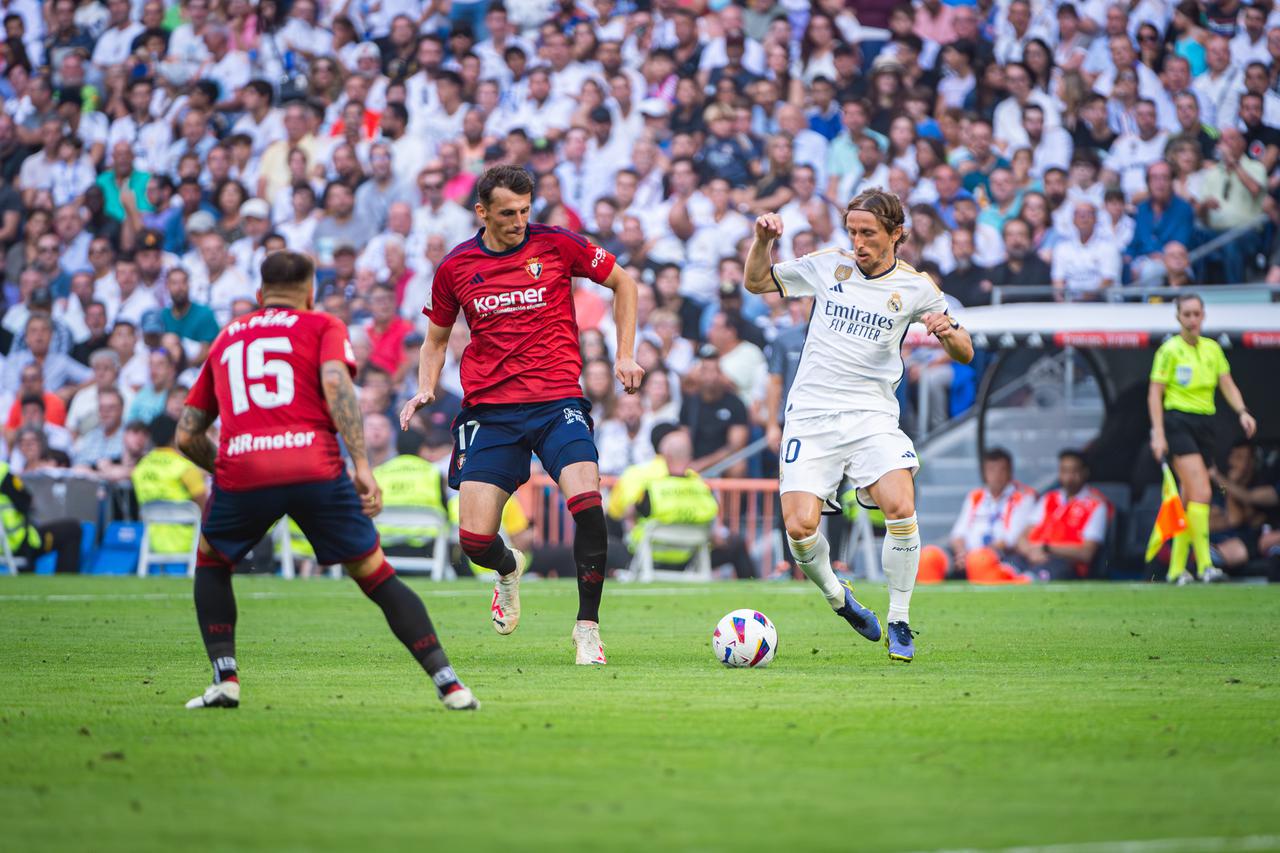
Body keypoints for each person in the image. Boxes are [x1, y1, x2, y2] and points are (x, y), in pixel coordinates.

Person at [177, 250, 478, 711]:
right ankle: (449, 684)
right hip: (313, 466)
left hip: (244, 469)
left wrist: (227, 467)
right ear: (310, 292)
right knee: (376, 575)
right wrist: (361, 465)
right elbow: (337, 385)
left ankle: (225, 679)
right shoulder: (322, 325)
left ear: (259, 293)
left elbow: (186, 434)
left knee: (212, 563)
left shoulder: (226, 338)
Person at [398, 165, 643, 666]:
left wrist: (624, 354)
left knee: (588, 503)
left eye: (525, 211)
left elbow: (624, 283)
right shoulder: (455, 267)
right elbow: (435, 341)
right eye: (508, 213)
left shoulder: (556, 244)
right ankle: (508, 568)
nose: (518, 222)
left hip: (557, 402)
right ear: (482, 211)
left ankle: (587, 628)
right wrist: (425, 387)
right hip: (491, 412)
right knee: (474, 540)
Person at [744, 188, 974, 663]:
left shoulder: (916, 287)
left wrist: (947, 331)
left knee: (900, 505)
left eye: (868, 233)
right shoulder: (829, 265)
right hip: (811, 415)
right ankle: (839, 597)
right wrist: (762, 241)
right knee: (799, 527)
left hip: (871, 415)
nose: (858, 242)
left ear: (896, 234)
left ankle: (900, 619)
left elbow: (965, 351)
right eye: (852, 231)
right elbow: (756, 282)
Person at [1148, 294, 1257, 583]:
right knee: (1203, 492)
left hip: (1205, 423)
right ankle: (1205, 565)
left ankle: (1175, 569)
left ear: (1203, 316)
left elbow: (1227, 384)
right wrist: (1158, 433)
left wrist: (1242, 412)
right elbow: (1155, 393)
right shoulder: (1169, 350)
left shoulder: (1212, 349)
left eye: (1197, 314)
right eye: (1187, 314)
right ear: (1178, 317)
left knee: (1188, 497)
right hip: (1177, 421)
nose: (1192, 320)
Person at [628, 428, 757, 579]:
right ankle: (752, 585)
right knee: (737, 543)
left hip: (653, 558)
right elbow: (715, 530)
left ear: (665, 457)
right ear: (690, 457)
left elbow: (629, 516)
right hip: (691, 558)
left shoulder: (652, 489)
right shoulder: (703, 489)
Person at [920, 448, 1037, 583]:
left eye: (1002, 470)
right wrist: (962, 554)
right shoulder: (975, 496)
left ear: (1010, 472)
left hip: (1000, 556)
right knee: (928, 557)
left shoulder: (1023, 497)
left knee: (979, 560)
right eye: (991, 470)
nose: (996, 475)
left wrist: (974, 556)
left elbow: (1011, 539)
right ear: (984, 473)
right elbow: (957, 535)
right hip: (966, 556)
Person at [131, 414, 206, 561]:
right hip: (188, 540)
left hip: (154, 541)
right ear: (175, 436)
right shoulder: (184, 468)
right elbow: (205, 506)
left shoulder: (140, 468)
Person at [0, 457, 84, 573]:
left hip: (8, 544)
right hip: (16, 543)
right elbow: (26, 502)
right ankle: (65, 582)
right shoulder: (2, 472)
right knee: (72, 530)